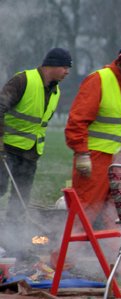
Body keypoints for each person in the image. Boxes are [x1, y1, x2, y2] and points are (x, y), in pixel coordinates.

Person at [65, 42, 121, 228]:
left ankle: (115, 254)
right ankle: (66, 255)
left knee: (120, 210)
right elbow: (77, 120)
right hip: (96, 157)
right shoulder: (98, 80)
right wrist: (81, 153)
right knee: (85, 207)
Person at [0, 48, 72, 227]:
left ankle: (11, 242)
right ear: (52, 64)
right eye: (64, 67)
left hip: (30, 154)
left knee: (20, 199)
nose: (67, 72)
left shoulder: (56, 92)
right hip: (6, 149)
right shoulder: (22, 80)